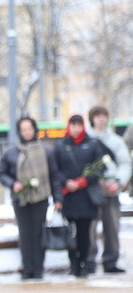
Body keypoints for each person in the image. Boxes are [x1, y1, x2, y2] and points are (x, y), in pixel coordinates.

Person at [0, 117, 63, 279]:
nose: (27, 132)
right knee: (25, 233)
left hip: (41, 197)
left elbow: (54, 176)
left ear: (35, 130)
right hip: (21, 199)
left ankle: (39, 269)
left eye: (29, 128)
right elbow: (1, 173)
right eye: (23, 129)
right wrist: (13, 184)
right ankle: (28, 269)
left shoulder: (46, 150)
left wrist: (58, 198)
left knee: (39, 232)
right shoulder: (11, 152)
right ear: (19, 132)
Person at [53, 114, 107, 277]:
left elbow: (99, 168)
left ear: (83, 126)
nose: (76, 129)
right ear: (68, 126)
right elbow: (55, 170)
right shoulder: (60, 146)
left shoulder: (92, 144)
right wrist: (66, 182)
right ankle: (73, 263)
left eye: (79, 125)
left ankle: (83, 262)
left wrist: (83, 181)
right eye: (73, 125)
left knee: (85, 233)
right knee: (70, 232)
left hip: (86, 196)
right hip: (68, 196)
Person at [86, 106, 131, 274]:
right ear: (92, 118)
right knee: (90, 227)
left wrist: (118, 182)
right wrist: (95, 181)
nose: (101, 119)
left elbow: (125, 163)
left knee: (112, 227)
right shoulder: (87, 140)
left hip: (112, 190)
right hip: (92, 190)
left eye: (104, 115)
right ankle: (89, 260)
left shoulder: (116, 141)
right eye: (97, 116)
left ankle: (110, 261)